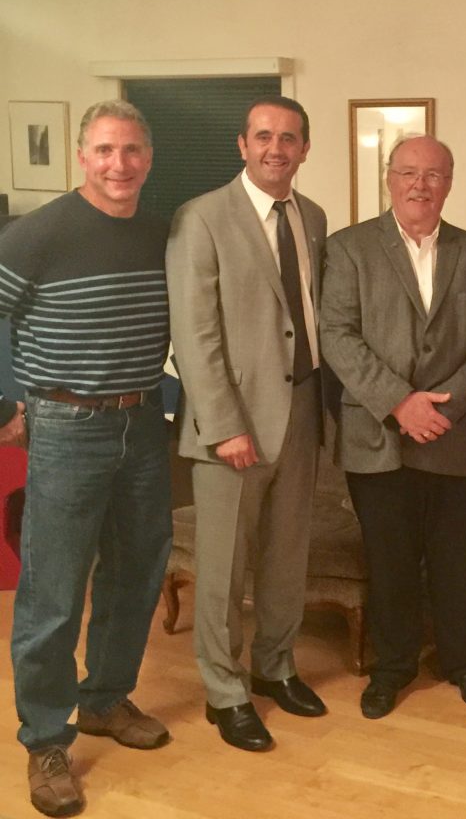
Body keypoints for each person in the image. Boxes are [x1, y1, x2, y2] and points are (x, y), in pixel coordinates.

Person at [2, 100, 172, 817]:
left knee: (136, 573)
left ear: (149, 157)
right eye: (105, 150)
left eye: (131, 150)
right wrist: (6, 402)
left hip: (143, 423)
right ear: (82, 156)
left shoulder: (163, 234)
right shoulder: (35, 235)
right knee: (54, 589)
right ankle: (46, 737)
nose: (119, 164)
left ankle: (105, 698)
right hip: (67, 425)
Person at [320, 134, 466, 720]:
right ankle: (394, 666)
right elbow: (337, 335)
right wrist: (401, 403)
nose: (420, 185)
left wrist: (444, 408)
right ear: (389, 179)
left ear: (449, 182)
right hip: (378, 435)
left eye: (433, 175)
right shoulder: (347, 249)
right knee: (390, 558)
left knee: (457, 556)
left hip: (454, 436)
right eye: (409, 173)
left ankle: (463, 663)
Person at [166, 95, 328, 753]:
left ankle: (276, 666)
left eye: (289, 138)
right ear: (242, 144)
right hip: (233, 425)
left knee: (287, 558)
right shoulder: (200, 217)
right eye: (263, 136)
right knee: (224, 567)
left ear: (304, 150)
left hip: (303, 412)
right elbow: (194, 333)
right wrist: (223, 425)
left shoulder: (311, 216)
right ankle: (224, 691)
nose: (275, 148)